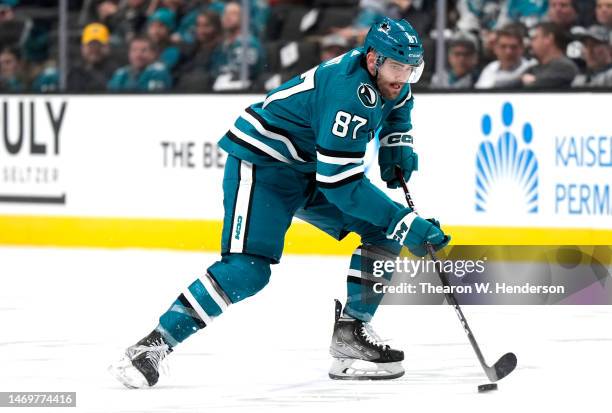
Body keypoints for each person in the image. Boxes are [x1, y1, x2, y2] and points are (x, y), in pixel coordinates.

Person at [109, 18, 450, 388]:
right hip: (265, 165)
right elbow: (342, 186)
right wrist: (404, 220)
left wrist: (397, 141)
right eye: (397, 68)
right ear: (372, 60)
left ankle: (351, 336)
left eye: (411, 69)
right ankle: (151, 346)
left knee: (384, 233)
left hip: (308, 166)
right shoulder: (348, 97)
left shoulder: (386, 74)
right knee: (247, 272)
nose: (403, 77)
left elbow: (399, 103)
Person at [210, 1, 264, 89]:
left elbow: (248, 74)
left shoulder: (249, 44)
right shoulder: (222, 46)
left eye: (233, 14)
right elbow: (215, 71)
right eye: (225, 13)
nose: (227, 17)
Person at [520, 21, 578, 87]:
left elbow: (543, 85)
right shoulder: (533, 69)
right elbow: (514, 84)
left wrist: (534, 81)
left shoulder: (565, 67)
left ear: (549, 39)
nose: (530, 44)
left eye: (534, 38)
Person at [107, 36, 172, 91]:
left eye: (144, 50)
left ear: (153, 54)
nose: (138, 55)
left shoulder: (158, 72)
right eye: (134, 50)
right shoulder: (122, 73)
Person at [67, 23, 116, 92]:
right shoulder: (75, 73)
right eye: (90, 45)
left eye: (99, 45)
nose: (94, 50)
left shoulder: (116, 73)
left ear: (107, 47)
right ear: (82, 47)